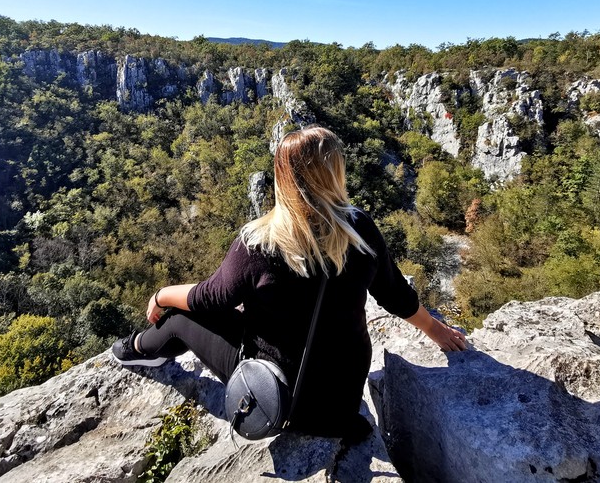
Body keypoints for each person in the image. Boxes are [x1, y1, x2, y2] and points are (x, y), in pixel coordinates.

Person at [112, 125, 467, 441]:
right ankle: (153, 349)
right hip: (339, 404)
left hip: (278, 396)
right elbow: (395, 295)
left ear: (283, 177)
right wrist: (436, 330)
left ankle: (138, 349)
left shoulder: (259, 243)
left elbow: (210, 298)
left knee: (178, 317)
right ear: (336, 172)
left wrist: (161, 296)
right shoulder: (359, 231)